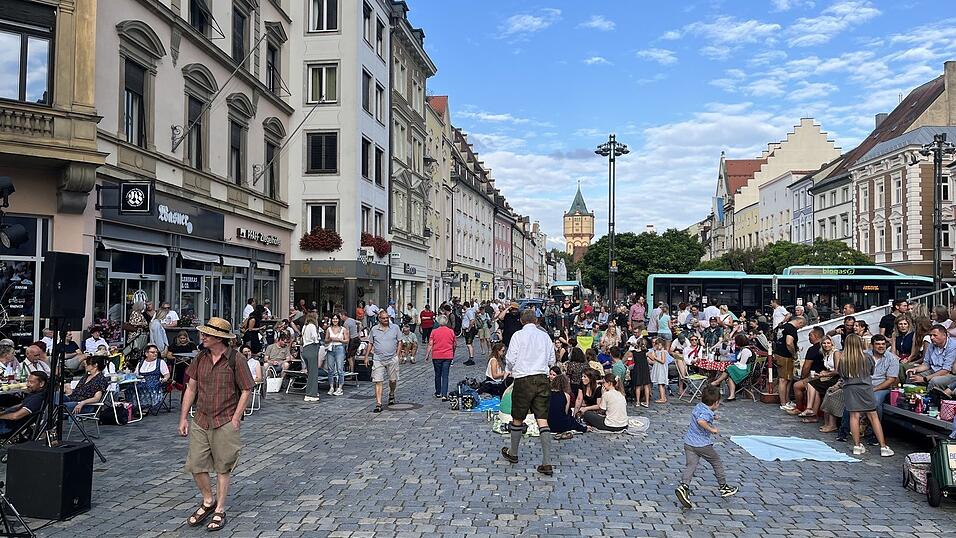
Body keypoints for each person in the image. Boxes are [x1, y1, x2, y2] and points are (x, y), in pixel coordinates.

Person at [180, 317, 254, 532]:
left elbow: (247, 389)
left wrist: (236, 418)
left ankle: (220, 509)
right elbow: (191, 388)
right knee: (196, 464)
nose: (202, 337)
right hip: (201, 418)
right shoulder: (200, 358)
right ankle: (208, 500)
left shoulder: (236, 360)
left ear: (219, 338)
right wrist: (184, 417)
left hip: (225, 420)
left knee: (223, 466)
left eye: (207, 335)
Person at [500, 308, 556, 476]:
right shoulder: (545, 336)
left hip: (523, 379)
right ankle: (546, 462)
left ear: (522, 321)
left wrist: (510, 368)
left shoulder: (518, 336)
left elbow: (510, 358)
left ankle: (514, 453)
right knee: (542, 420)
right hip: (541, 378)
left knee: (518, 417)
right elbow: (551, 360)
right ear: (536, 321)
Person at [675, 385, 738, 509]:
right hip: (702, 444)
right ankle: (723, 487)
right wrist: (712, 429)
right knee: (716, 461)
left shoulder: (699, 406)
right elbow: (701, 421)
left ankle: (684, 487)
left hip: (689, 443)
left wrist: (713, 416)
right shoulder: (707, 413)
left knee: (691, 465)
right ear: (715, 403)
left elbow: (702, 414)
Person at [837, 334, 894, 456]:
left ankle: (857, 445)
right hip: (866, 388)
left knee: (854, 416)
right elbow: (871, 372)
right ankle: (883, 446)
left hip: (850, 389)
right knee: (873, 416)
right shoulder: (867, 357)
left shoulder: (843, 359)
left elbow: (842, 375)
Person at [364, 310, 402, 413]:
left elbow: (399, 341)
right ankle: (378, 403)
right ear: (379, 319)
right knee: (378, 381)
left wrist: (397, 355)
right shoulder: (374, 329)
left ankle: (391, 393)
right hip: (378, 359)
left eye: (387, 318)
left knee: (393, 380)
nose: (386, 320)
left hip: (392, 358)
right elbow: (370, 343)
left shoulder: (395, 328)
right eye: (384, 318)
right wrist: (367, 356)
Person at [909, 324, 956, 390]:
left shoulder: (953, 346)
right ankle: (911, 396)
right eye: (930, 335)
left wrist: (924, 379)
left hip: (948, 374)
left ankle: (928, 399)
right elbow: (926, 365)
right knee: (912, 377)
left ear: (944, 336)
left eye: (935, 335)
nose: (931, 338)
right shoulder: (932, 345)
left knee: (934, 381)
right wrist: (915, 369)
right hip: (933, 370)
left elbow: (946, 370)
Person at [0, 372, 48, 436]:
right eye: (27, 382)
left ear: (41, 384)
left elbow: (15, 416)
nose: (28, 385)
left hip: (8, 427)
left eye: (31, 382)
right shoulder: (35, 395)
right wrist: (3, 412)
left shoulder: (37, 399)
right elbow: (20, 405)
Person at [774, 316, 805, 411]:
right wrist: (794, 353)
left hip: (779, 353)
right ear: (799, 322)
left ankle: (786, 400)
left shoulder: (783, 326)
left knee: (788, 379)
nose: (801, 328)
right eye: (802, 326)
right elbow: (789, 342)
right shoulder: (792, 329)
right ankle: (783, 402)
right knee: (784, 379)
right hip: (785, 356)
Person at [710, 334, 753, 402]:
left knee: (730, 368)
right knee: (730, 374)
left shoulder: (746, 351)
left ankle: (717, 381)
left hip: (747, 371)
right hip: (744, 369)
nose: (734, 342)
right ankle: (732, 396)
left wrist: (732, 365)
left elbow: (742, 364)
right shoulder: (743, 349)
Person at [133, 344, 171, 415]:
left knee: (149, 386)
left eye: (156, 352)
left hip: (155, 383)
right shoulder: (141, 363)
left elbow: (167, 374)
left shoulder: (160, 362)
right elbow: (136, 375)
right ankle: (136, 406)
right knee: (131, 388)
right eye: (152, 352)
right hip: (141, 382)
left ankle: (146, 407)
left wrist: (165, 379)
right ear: (146, 354)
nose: (155, 354)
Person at [426, 315, 456, 400]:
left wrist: (427, 354)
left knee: (437, 374)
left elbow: (430, 344)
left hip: (437, 356)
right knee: (445, 375)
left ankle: (438, 392)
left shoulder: (434, 332)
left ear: (439, 322)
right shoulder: (451, 331)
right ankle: (444, 394)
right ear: (446, 322)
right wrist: (453, 352)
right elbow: (454, 344)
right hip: (447, 356)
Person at [300, 313, 322, 402]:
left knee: (310, 373)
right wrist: (317, 340)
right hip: (312, 348)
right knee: (313, 373)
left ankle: (310, 391)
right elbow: (314, 337)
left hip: (305, 349)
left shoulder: (304, 326)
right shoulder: (312, 326)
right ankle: (311, 394)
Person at [649, 338, 669, 404]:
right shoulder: (657, 351)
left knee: (661, 383)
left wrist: (655, 358)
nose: (657, 346)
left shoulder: (663, 351)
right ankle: (663, 397)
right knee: (660, 384)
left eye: (659, 344)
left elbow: (663, 361)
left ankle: (662, 398)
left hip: (661, 369)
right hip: (658, 368)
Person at [461, 301, 478, 366]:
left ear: (465, 306)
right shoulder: (469, 311)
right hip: (467, 330)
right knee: (468, 344)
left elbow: (472, 320)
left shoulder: (469, 312)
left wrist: (469, 328)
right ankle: (470, 358)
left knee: (469, 344)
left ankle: (471, 359)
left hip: (469, 330)